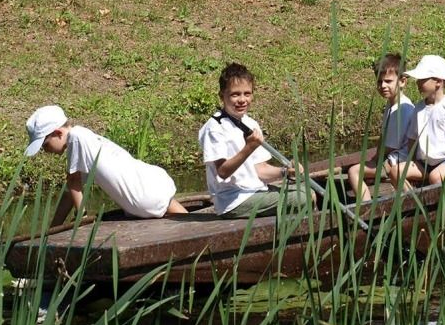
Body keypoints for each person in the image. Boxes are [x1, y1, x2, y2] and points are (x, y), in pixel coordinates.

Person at [24, 105, 188, 226]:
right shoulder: (86, 139)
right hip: (146, 185)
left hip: (141, 197)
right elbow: (69, 193)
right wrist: (52, 229)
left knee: (168, 208)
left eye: (45, 145)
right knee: (175, 212)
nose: (45, 151)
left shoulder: (76, 139)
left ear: (58, 133)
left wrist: (81, 215)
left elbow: (73, 182)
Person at [198, 62, 312, 218]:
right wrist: (249, 148)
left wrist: (285, 172)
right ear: (222, 96)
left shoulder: (249, 123)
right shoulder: (215, 128)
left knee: (305, 190)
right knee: (304, 198)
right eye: (235, 94)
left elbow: (260, 170)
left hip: (255, 191)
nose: (242, 100)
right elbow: (223, 172)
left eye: (247, 93)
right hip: (233, 201)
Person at [392, 55, 445, 188]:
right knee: (396, 171)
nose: (417, 83)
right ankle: (412, 201)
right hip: (424, 162)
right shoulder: (418, 108)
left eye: (422, 79)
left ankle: (443, 206)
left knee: (435, 176)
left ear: (438, 82)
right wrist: (412, 161)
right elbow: (412, 138)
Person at [347, 53, 415, 201]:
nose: (383, 86)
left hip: (397, 160)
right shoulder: (392, 105)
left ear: (403, 81)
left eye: (388, 81)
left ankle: (367, 207)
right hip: (391, 157)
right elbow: (384, 138)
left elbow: (390, 146)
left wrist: (375, 161)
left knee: (354, 171)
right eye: (379, 81)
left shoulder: (402, 109)